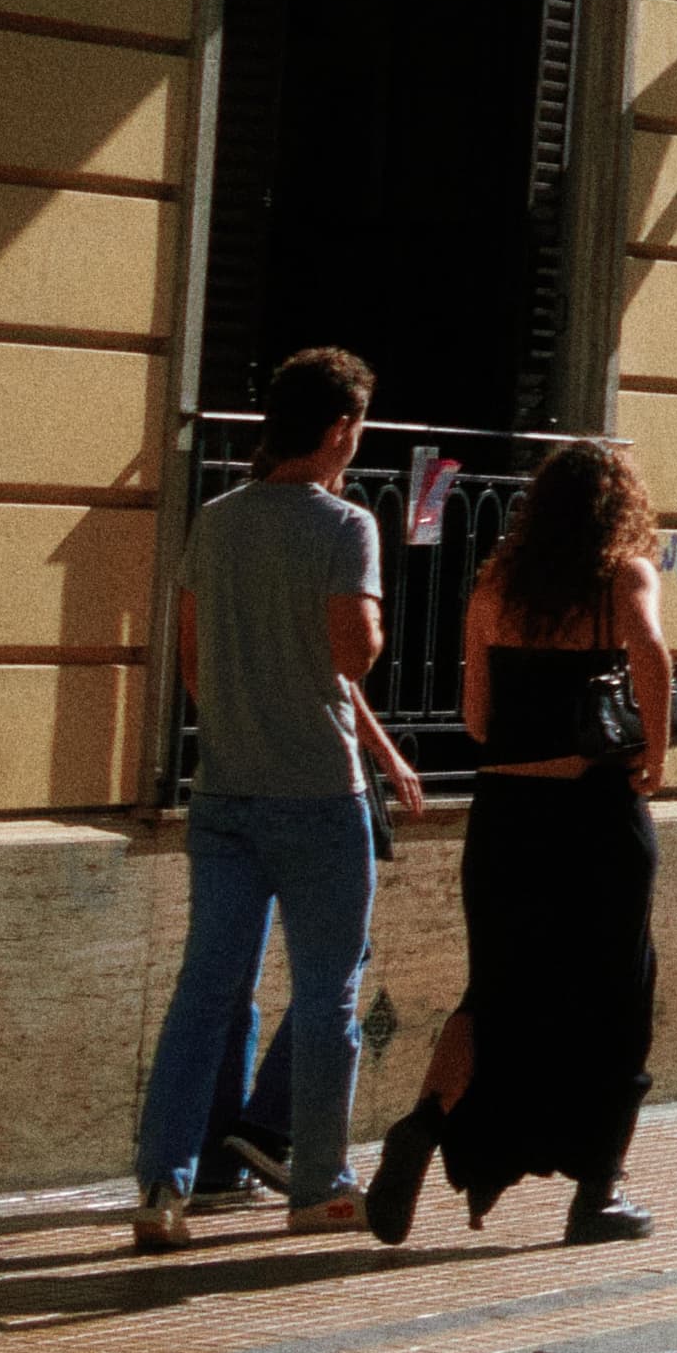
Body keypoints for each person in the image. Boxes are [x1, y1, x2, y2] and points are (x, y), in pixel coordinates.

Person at [128, 345, 424, 1251]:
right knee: (330, 992)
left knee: (203, 993)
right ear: (339, 429)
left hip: (224, 790)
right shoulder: (345, 526)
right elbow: (354, 652)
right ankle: (320, 1183)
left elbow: (190, 656)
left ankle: (160, 1190)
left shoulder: (216, 521)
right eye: (358, 429)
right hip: (318, 794)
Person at [364, 434, 670, 1249]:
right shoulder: (624, 577)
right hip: (595, 814)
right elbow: (653, 656)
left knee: (492, 990)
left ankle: (423, 1124)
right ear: (620, 508)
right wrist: (654, 758)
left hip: (506, 816)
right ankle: (596, 1195)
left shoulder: (498, 581)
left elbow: (474, 719)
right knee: (615, 999)